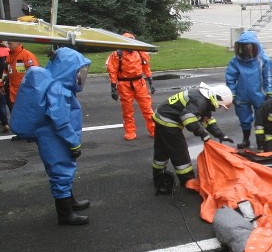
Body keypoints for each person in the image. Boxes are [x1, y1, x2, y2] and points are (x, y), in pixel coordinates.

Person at [9, 47, 92, 225]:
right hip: (56, 137)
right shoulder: (58, 90)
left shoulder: (56, 84)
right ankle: (65, 214)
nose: (80, 76)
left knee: (65, 169)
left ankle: (70, 203)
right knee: (61, 171)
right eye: (78, 72)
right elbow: (60, 120)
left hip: (53, 136)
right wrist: (73, 142)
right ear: (67, 69)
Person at [152, 82, 234, 190]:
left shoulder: (206, 99)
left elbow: (207, 120)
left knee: (162, 149)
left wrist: (221, 135)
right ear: (216, 98)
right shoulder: (200, 101)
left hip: (161, 115)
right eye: (220, 105)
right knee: (179, 150)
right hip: (168, 120)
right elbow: (187, 117)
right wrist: (202, 134)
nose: (218, 107)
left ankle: (158, 174)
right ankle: (188, 180)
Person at [225, 31, 272, 150]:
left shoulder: (263, 59)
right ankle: (245, 139)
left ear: (255, 46)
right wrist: (232, 94)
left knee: (261, 118)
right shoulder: (235, 61)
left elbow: (269, 76)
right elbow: (230, 78)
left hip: (260, 94)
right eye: (245, 47)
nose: (248, 50)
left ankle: (261, 141)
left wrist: (269, 92)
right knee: (244, 118)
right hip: (241, 95)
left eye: (250, 46)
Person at [106, 35, 156, 140]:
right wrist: (113, 88)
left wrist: (150, 81)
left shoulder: (140, 53)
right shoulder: (116, 55)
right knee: (127, 110)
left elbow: (146, 67)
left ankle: (154, 129)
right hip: (124, 85)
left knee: (147, 108)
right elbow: (112, 71)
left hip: (139, 83)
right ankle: (130, 131)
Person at [0, 41, 9, 133]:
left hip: (1, 81)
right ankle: (5, 123)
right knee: (3, 104)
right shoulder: (8, 51)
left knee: (1, 103)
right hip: (6, 80)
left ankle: (4, 123)